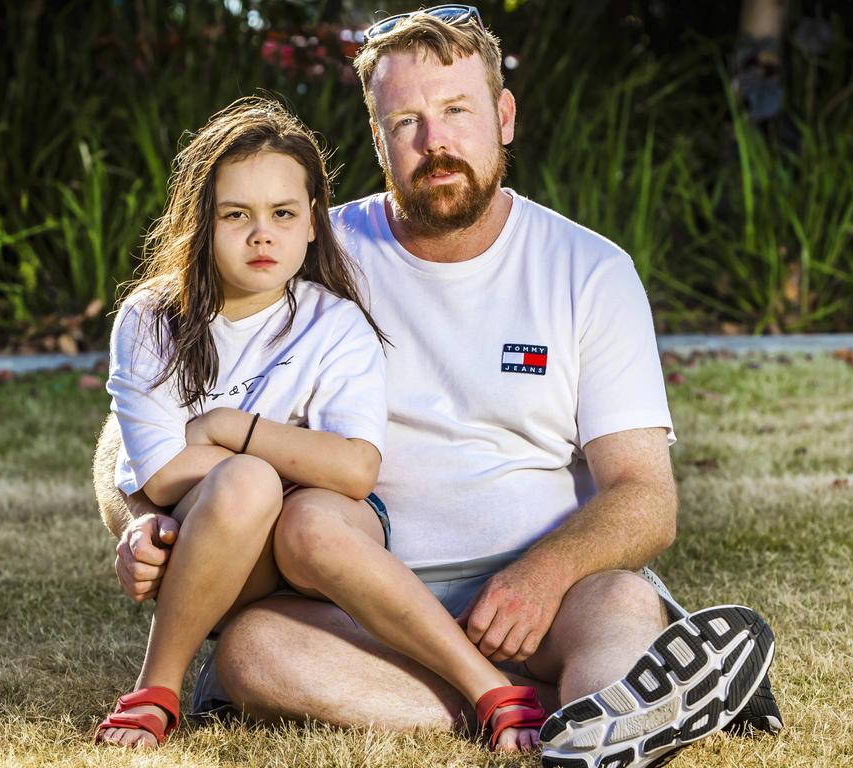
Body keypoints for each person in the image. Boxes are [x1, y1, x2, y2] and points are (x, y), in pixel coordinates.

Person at [96, 7, 782, 767]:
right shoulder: (309, 250)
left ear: (504, 115)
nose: (436, 142)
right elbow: (144, 419)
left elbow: (645, 497)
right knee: (254, 654)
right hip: (348, 604)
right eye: (407, 121)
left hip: (542, 597)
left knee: (619, 600)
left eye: (457, 111)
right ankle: (572, 712)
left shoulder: (589, 271)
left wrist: (541, 575)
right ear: (377, 138)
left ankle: (596, 715)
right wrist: (137, 519)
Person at [94, 96, 548, 751]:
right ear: (202, 223)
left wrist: (230, 427)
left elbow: (356, 470)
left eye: (282, 214)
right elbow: (161, 473)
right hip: (223, 547)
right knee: (247, 487)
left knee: (299, 512)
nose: (261, 235)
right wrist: (279, 469)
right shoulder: (150, 319)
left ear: (312, 222)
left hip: (325, 539)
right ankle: (156, 689)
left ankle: (491, 690)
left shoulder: (333, 324)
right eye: (235, 215)